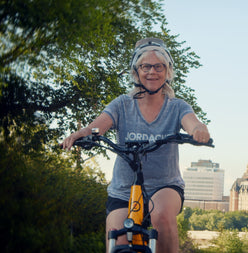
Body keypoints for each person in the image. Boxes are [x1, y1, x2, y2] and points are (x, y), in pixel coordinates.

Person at [61, 38, 210, 253]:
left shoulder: (177, 106)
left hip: (164, 186)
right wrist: (82, 134)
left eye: (158, 66)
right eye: (145, 66)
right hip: (123, 191)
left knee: (161, 215)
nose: (152, 72)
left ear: (167, 71)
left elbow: (192, 122)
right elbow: (96, 127)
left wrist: (198, 131)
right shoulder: (122, 104)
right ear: (136, 71)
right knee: (117, 237)